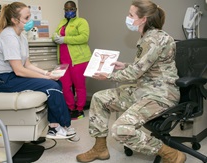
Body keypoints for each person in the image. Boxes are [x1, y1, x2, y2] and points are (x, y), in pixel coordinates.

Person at [76, 0, 186, 163]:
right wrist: (125, 65)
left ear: (143, 19)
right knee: (99, 98)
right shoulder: (147, 37)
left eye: (130, 15)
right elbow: (147, 66)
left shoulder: (155, 39)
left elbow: (135, 73)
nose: (127, 17)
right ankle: (100, 149)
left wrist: (108, 76)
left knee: (121, 129)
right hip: (143, 89)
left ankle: (170, 154)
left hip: (160, 95)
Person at [0, 2, 78, 141]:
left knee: (57, 83)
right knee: (51, 86)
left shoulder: (22, 36)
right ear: (14, 20)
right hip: (1, 80)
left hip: (12, 76)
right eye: (26, 18)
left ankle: (54, 126)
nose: (30, 21)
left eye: (30, 16)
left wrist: (46, 74)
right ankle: (60, 126)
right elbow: (19, 70)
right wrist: (47, 79)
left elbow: (27, 65)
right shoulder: (9, 37)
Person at [53, 1, 92, 120]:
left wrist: (65, 39)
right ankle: (70, 108)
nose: (68, 11)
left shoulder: (81, 21)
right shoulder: (62, 22)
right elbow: (55, 34)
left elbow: (84, 37)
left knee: (79, 86)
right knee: (64, 86)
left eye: (71, 9)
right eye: (66, 9)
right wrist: (55, 37)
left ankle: (79, 109)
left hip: (78, 60)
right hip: (64, 60)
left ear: (75, 9)